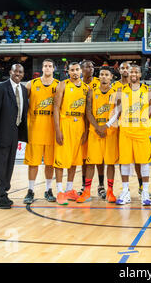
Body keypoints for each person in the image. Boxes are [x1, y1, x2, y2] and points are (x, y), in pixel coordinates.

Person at [0, 64, 28, 209]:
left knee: (9, 164)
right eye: (15, 71)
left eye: (20, 72)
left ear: (23, 74)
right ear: (10, 72)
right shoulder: (0, 88)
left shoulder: (23, 89)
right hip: (0, 134)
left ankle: (4, 193)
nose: (18, 73)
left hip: (14, 133)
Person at [113, 64, 151, 206]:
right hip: (125, 129)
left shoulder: (147, 90)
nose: (134, 74)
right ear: (128, 74)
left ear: (141, 74)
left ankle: (145, 192)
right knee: (124, 162)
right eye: (131, 72)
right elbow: (117, 110)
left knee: (144, 162)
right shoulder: (120, 90)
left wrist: (147, 122)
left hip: (141, 130)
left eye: (136, 71)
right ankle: (125, 192)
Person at [77, 67, 118, 203]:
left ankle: (110, 191)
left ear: (111, 77)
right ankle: (87, 191)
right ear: (98, 77)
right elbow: (88, 112)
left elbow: (118, 112)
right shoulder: (91, 92)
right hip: (95, 131)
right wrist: (97, 127)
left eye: (107, 74)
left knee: (110, 163)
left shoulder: (116, 93)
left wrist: (105, 127)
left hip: (110, 131)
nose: (104, 77)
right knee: (91, 163)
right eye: (102, 74)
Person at [23, 59, 59, 204]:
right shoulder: (31, 84)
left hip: (51, 130)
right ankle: (30, 190)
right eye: (45, 66)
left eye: (50, 66)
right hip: (35, 129)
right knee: (33, 163)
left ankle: (48, 189)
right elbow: (21, 104)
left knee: (50, 163)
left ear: (54, 69)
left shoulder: (59, 85)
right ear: (42, 68)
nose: (47, 68)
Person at [53, 62, 88, 205]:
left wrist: (85, 130)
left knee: (74, 160)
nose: (75, 72)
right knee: (61, 160)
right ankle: (60, 192)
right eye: (72, 70)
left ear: (81, 71)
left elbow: (87, 112)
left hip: (79, 124)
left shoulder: (86, 88)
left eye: (77, 70)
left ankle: (69, 190)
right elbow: (55, 107)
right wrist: (57, 129)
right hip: (65, 122)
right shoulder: (63, 85)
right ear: (68, 72)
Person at [80, 60, 105, 198]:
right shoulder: (76, 83)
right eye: (87, 66)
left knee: (99, 158)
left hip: (95, 124)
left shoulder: (99, 81)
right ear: (81, 69)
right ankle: (84, 186)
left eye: (92, 66)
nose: (90, 68)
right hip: (80, 125)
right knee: (85, 158)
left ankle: (101, 185)